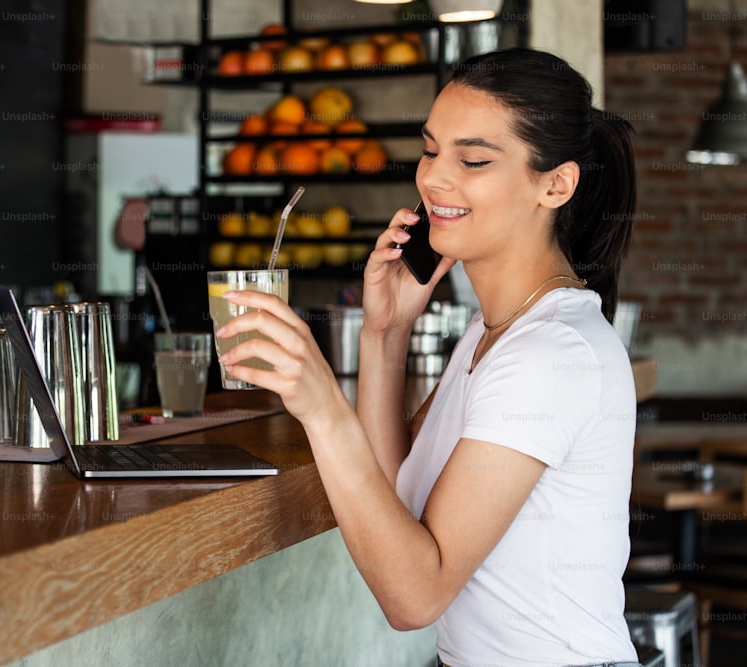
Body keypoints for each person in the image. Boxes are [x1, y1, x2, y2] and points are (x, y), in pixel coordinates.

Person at [215, 48, 640, 666]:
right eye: (431, 149)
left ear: (556, 184)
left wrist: (324, 407)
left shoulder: (550, 353)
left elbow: (414, 596)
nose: (435, 178)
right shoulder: (493, 330)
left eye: (472, 159)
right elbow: (399, 509)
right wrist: (384, 333)